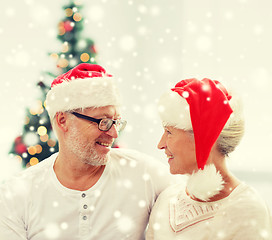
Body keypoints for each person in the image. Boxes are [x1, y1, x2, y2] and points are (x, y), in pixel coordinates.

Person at [0, 63, 174, 240]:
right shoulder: (16, 194)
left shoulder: (146, 175)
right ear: (62, 121)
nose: (113, 133)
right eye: (103, 122)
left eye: (116, 122)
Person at [146, 78, 272, 239]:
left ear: (203, 138)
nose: (160, 144)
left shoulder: (247, 209)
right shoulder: (166, 200)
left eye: (169, 132)